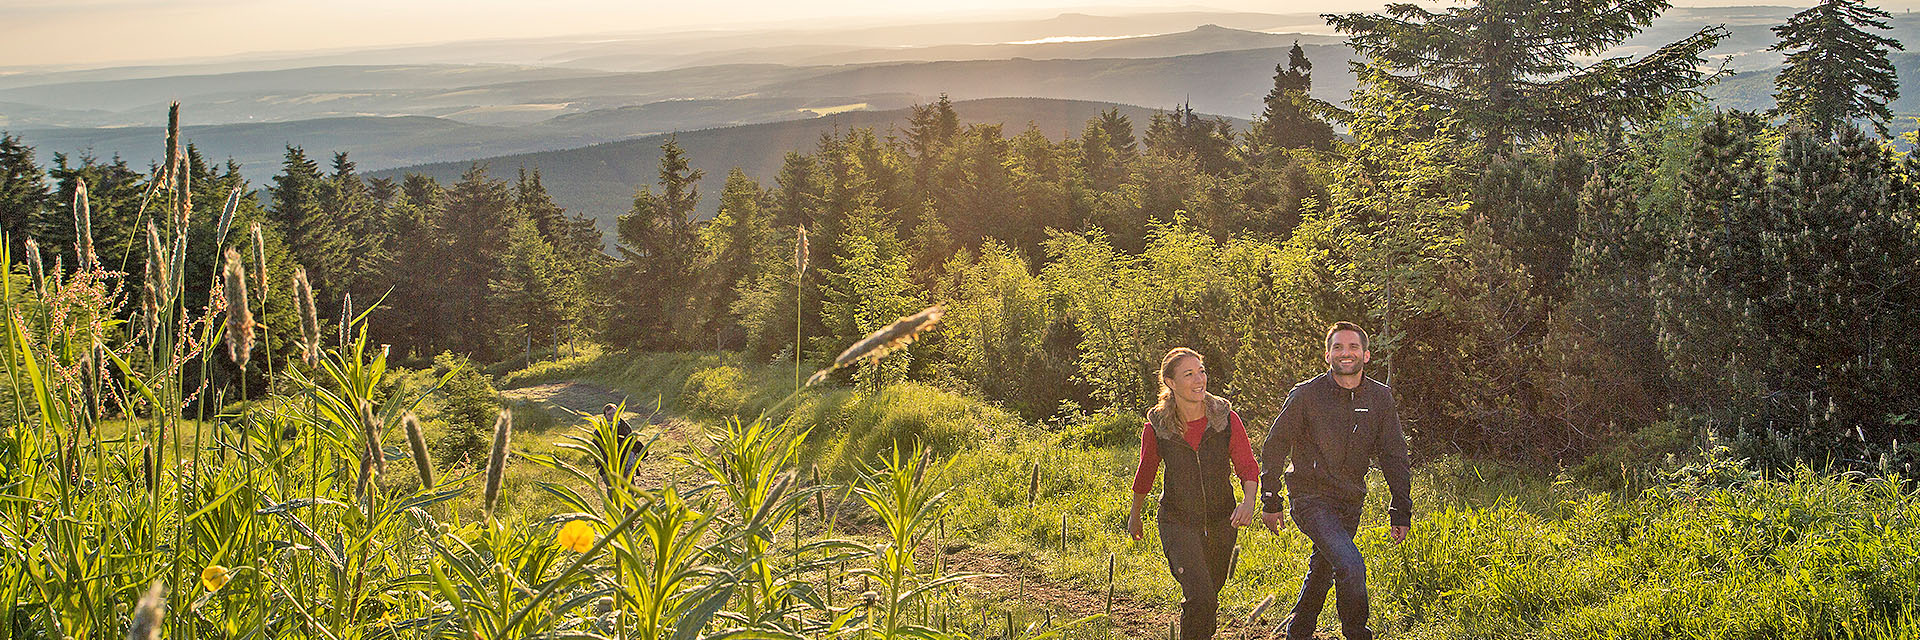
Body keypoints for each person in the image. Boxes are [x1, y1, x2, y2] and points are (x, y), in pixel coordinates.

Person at [1259, 322, 1412, 640]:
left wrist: (1400, 509)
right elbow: (1275, 445)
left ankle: (1297, 632)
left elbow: (1394, 455)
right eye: (1338, 347)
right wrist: (1271, 499)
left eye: (1353, 347)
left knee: (1324, 567)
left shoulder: (1379, 398)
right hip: (1310, 498)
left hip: (1350, 501)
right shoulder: (1306, 395)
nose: (1346, 353)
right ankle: (1357, 633)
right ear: (1327, 354)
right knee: (1350, 564)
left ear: (1366, 355)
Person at [1127, 347, 1260, 639]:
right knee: (1200, 596)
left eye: (1201, 371)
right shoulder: (1158, 427)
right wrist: (1135, 515)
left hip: (1222, 523)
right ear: (1171, 383)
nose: (1199, 379)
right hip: (1177, 522)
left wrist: (1248, 501)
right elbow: (1145, 473)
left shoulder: (1225, 419)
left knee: (1210, 595)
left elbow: (1247, 465)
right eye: (1189, 374)